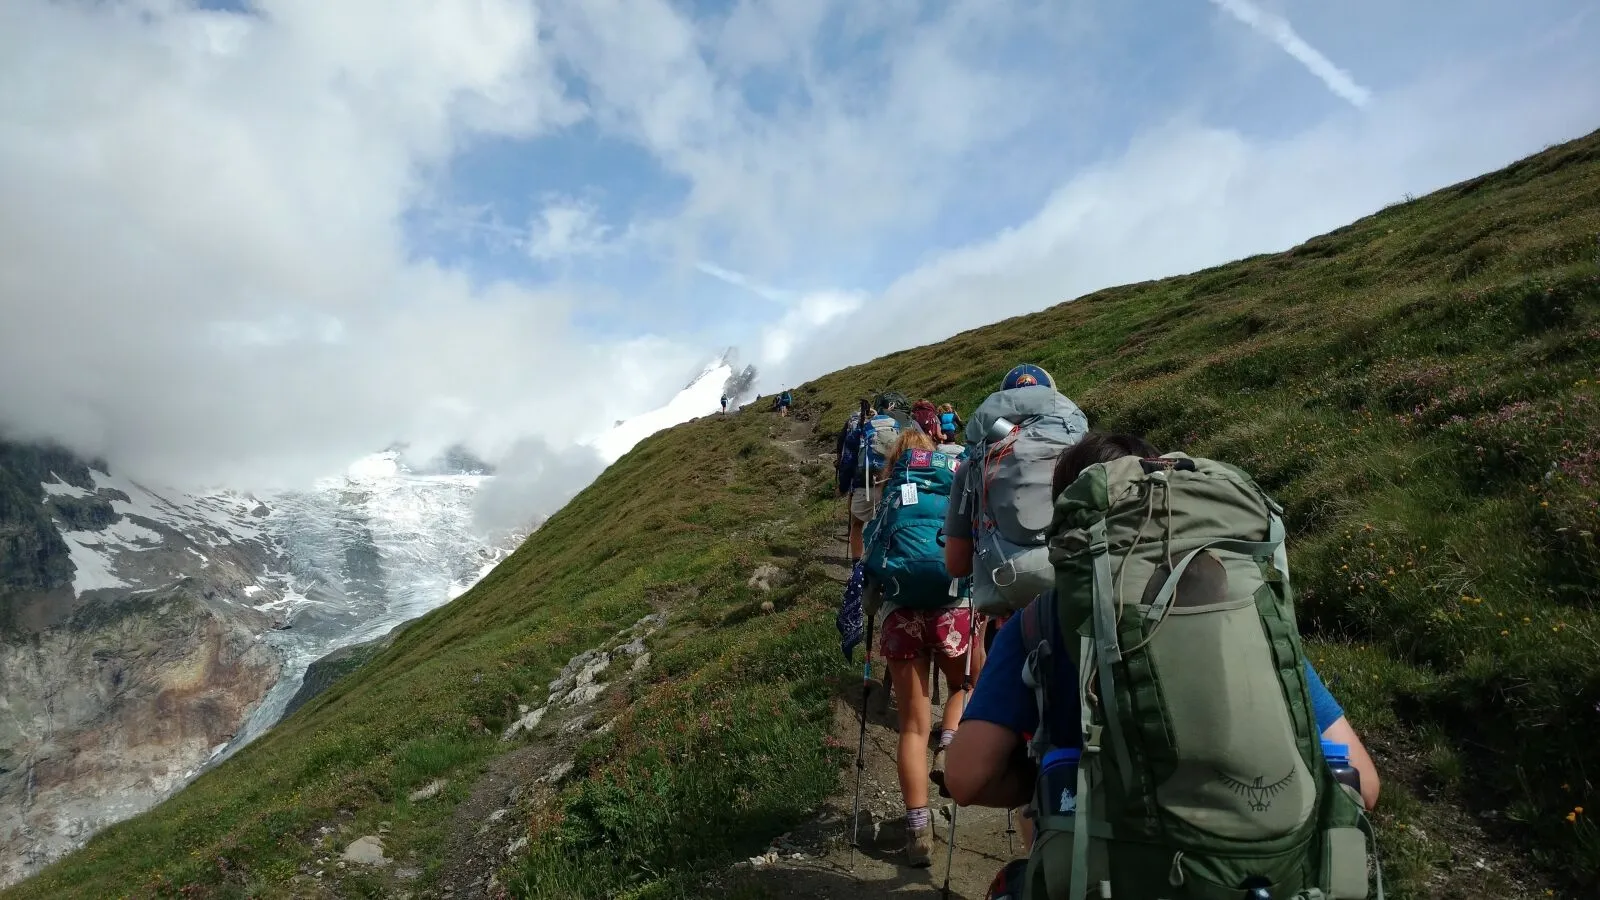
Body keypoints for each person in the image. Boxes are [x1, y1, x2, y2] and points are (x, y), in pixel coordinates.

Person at [946, 432, 1382, 895]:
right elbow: (1365, 783)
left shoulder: (1042, 623)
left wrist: (1044, 785)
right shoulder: (1246, 608)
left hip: (1116, 879)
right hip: (1268, 876)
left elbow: (966, 779)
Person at [863, 428, 973, 868]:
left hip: (900, 615)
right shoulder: (953, 488)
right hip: (952, 609)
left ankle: (918, 832)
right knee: (964, 686)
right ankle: (949, 745)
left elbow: (869, 561)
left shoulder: (889, 496)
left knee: (912, 726)